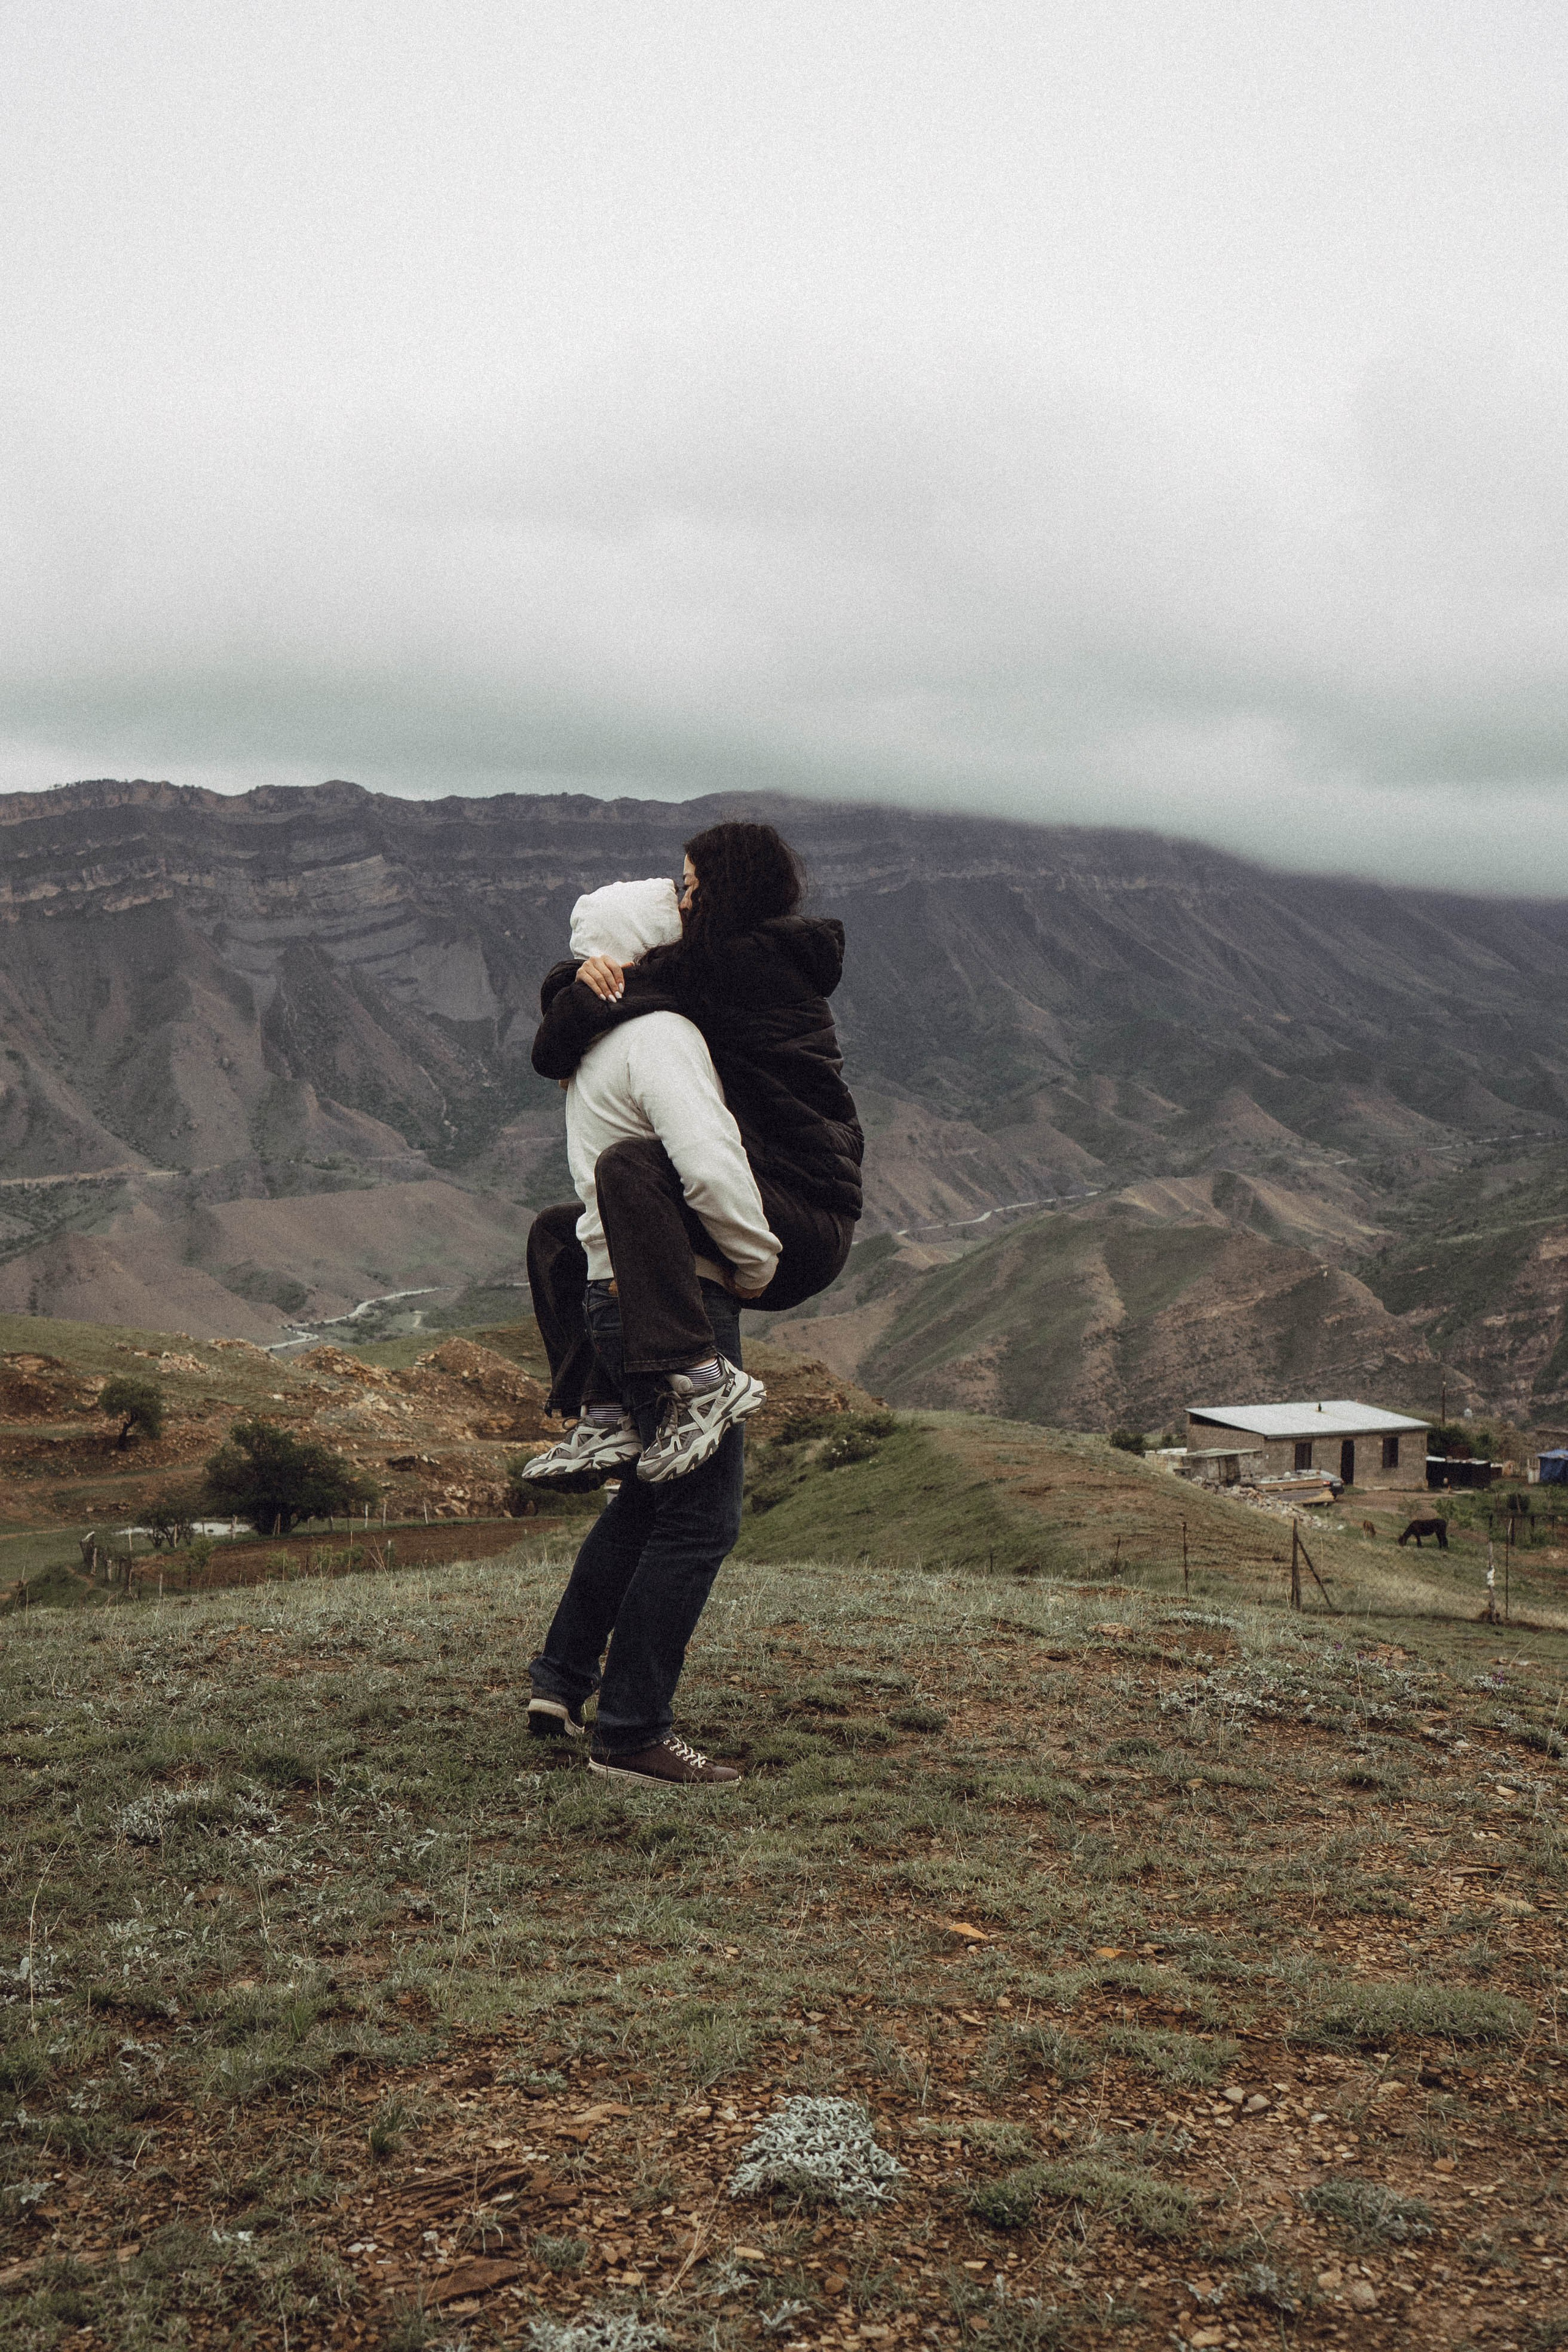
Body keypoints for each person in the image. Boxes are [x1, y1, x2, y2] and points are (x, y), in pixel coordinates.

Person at [529, 822, 862, 1484]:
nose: (683, 904)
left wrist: (581, 985)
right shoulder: (728, 961)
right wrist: (579, 980)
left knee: (627, 1167)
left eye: (692, 888)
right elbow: (616, 992)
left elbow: (563, 1038)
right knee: (560, 1235)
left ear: (727, 890)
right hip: (759, 1190)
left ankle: (704, 1381)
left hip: (796, 1214)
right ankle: (601, 1412)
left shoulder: (743, 963)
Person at [522, 876, 777, 1491]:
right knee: (698, 1521)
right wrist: (756, 1259)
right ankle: (711, 1382)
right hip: (674, 1297)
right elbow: (710, 1163)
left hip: (601, 1289)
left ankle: (603, 1413)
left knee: (648, 1507)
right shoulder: (660, 1034)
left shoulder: (586, 1045)